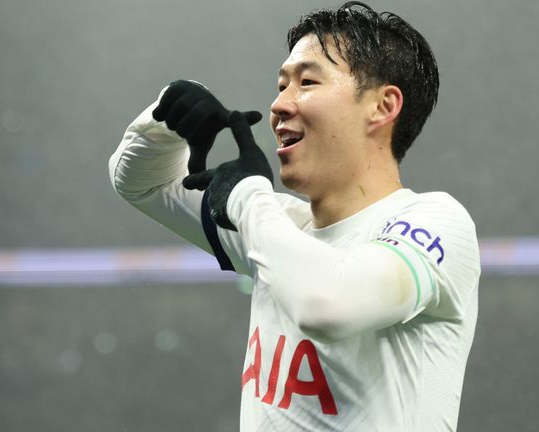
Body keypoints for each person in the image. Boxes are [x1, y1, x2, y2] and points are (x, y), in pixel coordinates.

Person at [109, 2, 480, 430]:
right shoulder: (276, 230)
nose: (279, 105)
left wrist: (249, 197)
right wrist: (167, 120)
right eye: (281, 85)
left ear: (382, 106)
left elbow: (328, 306)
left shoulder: (437, 222)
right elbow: (139, 183)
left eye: (306, 81)